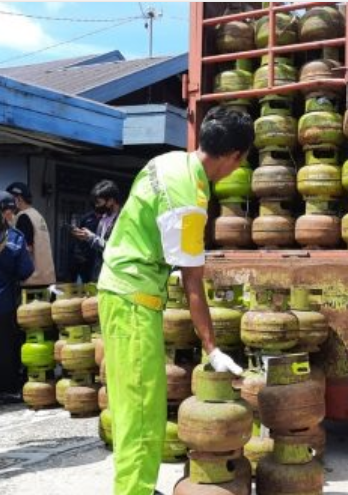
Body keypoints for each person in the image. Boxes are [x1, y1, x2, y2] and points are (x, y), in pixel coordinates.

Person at [97, 107, 251, 495]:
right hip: (133, 297)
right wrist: (212, 347)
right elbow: (193, 283)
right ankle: (133, 491)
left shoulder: (167, 161)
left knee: (140, 400)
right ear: (235, 156)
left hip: (123, 288)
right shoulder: (190, 199)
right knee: (140, 408)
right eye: (241, 161)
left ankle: (139, 487)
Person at [0, 191, 34, 407]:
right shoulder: (15, 237)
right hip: (2, 302)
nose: (11, 214)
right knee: (5, 349)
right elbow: (26, 270)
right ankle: (7, 391)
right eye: (10, 210)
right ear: (8, 211)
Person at [5, 181, 56, 287]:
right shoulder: (37, 215)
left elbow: (26, 248)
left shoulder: (23, 217)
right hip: (46, 278)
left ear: (18, 199)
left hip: (31, 280)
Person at [72, 180, 122, 283]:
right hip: (99, 275)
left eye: (99, 202)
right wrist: (86, 238)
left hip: (115, 277)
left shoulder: (122, 220)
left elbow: (115, 250)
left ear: (111, 201)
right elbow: (99, 248)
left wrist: (91, 238)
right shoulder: (102, 219)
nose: (96, 206)